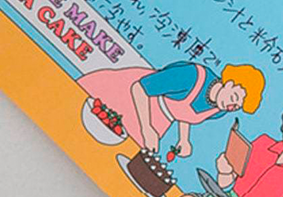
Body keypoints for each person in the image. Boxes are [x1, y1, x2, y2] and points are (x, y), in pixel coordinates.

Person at [78, 59, 264, 158]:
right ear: (229, 82)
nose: (231, 107)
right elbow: (140, 88)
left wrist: (184, 139)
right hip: (133, 100)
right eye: (234, 98)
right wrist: (146, 128)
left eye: (236, 107)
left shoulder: (220, 109)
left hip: (160, 121)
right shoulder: (191, 75)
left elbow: (186, 114)